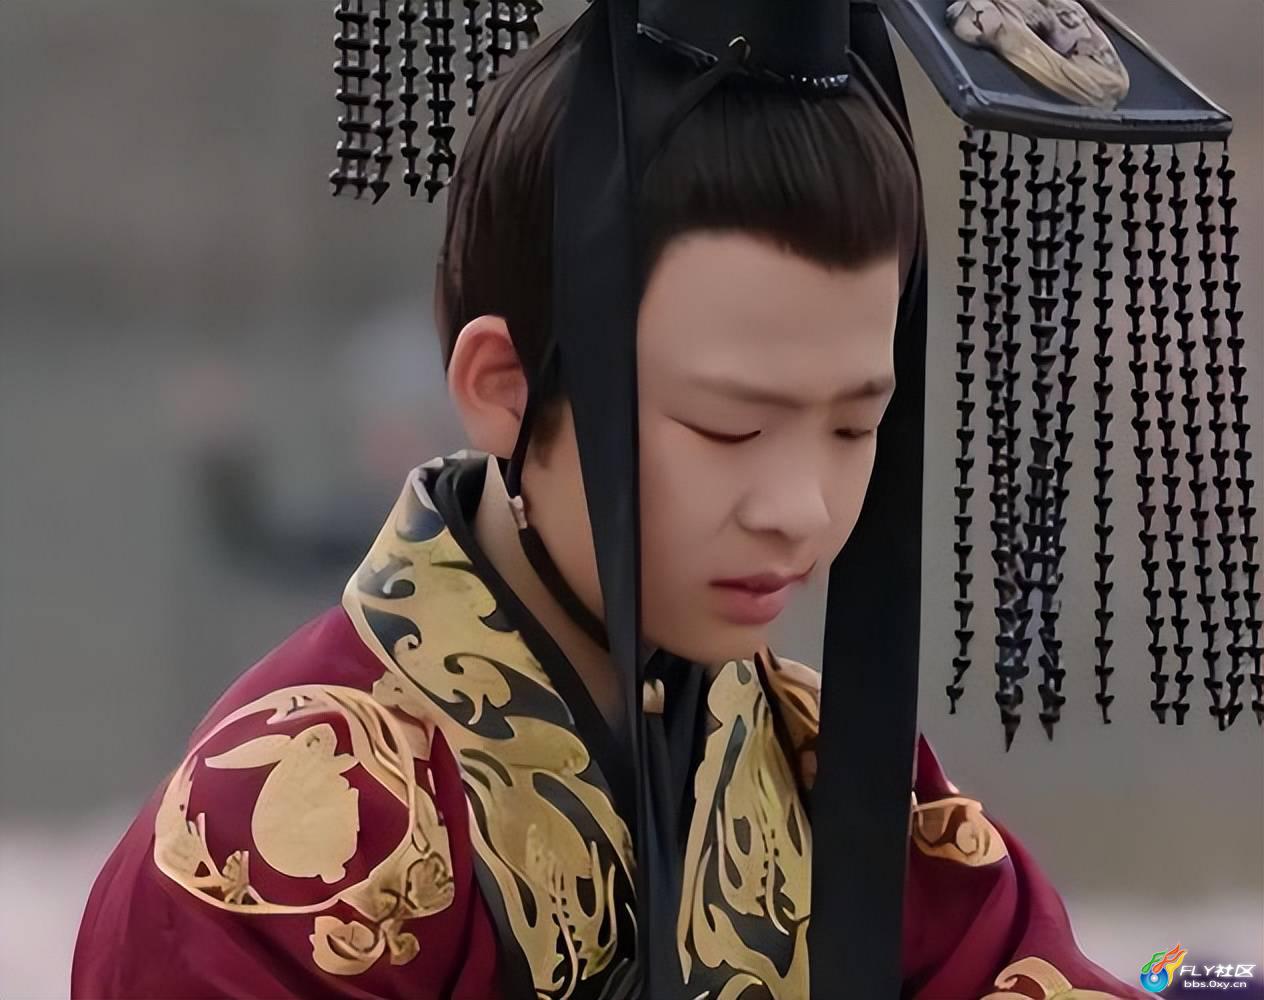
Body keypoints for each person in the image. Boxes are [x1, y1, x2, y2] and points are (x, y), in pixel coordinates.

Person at [75, 0, 1249, 996]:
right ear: (504, 387)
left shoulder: (826, 774)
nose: (799, 508)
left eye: (854, 426)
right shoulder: (289, 833)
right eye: (729, 426)